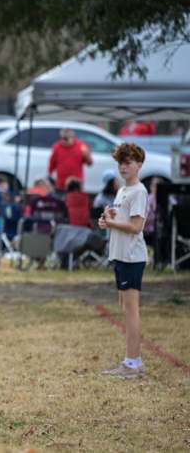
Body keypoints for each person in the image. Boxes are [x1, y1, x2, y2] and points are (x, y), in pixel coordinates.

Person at [98, 142, 148, 378]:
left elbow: (137, 226)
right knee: (126, 309)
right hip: (120, 255)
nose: (123, 167)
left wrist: (112, 223)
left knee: (131, 311)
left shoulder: (139, 191)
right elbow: (121, 221)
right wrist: (107, 218)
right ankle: (132, 360)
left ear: (139, 165)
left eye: (128, 162)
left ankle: (133, 363)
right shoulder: (122, 190)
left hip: (132, 257)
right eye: (120, 162)